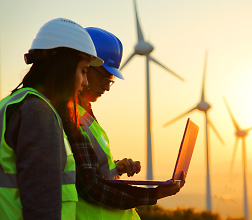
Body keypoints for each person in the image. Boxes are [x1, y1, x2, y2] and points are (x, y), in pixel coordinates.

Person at [72, 27, 184, 220]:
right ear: (85, 65)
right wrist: (154, 194)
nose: (108, 87)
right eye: (106, 76)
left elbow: (88, 169)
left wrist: (116, 168)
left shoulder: (85, 113)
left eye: (112, 80)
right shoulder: (68, 116)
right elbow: (90, 187)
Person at [0, 18, 103, 220]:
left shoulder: (13, 103)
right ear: (62, 66)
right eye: (83, 71)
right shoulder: (37, 113)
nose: (86, 82)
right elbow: (42, 206)